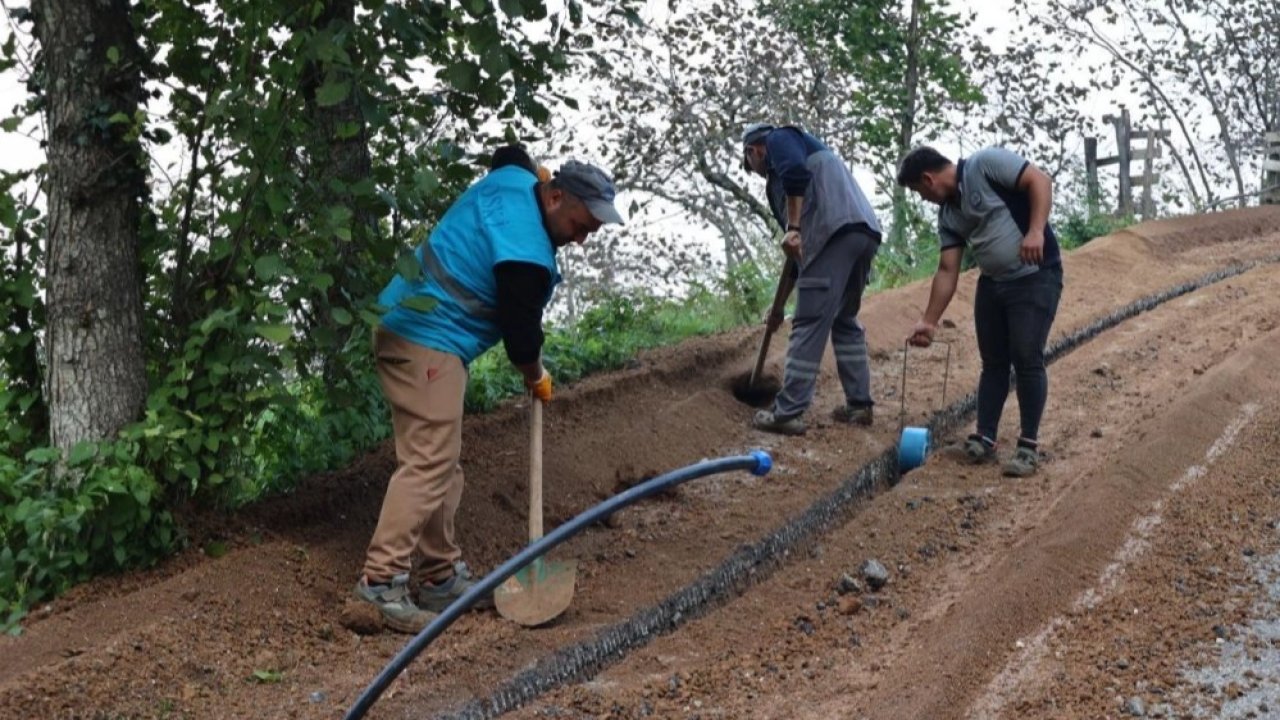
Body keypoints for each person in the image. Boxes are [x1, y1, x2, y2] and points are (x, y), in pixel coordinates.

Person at [355, 152, 623, 633]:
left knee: (441, 463)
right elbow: (522, 339)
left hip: (415, 328)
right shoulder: (526, 256)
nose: (582, 239)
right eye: (580, 225)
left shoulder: (516, 181)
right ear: (555, 196)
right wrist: (536, 374)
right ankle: (380, 583)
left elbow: (510, 154)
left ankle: (439, 577)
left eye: (591, 232)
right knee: (429, 463)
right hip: (426, 338)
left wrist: (534, 171)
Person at [897, 145, 1063, 478]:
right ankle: (985, 437)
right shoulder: (948, 216)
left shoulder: (984, 166)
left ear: (928, 179)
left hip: (1035, 276)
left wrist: (1034, 231)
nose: (923, 198)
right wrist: (929, 321)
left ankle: (1028, 447)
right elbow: (947, 270)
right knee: (994, 362)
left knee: (1026, 355)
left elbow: (1040, 181)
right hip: (993, 284)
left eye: (918, 191)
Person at [741, 123, 882, 436]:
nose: (757, 172)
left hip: (831, 233)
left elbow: (795, 177)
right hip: (862, 232)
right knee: (844, 319)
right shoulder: (801, 165)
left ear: (754, 150)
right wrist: (777, 308)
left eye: (750, 164)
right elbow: (797, 258)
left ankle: (787, 412)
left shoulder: (780, 139)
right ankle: (859, 406)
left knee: (808, 322)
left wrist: (793, 227)